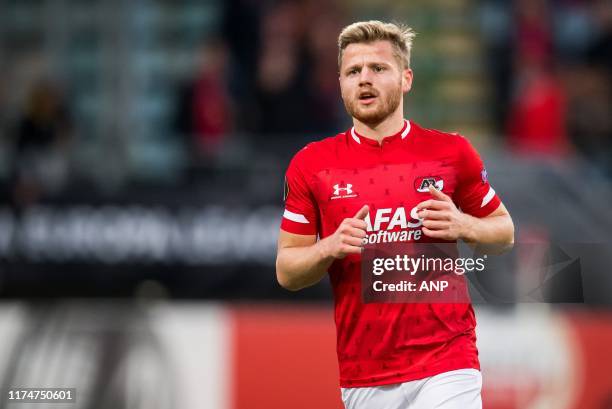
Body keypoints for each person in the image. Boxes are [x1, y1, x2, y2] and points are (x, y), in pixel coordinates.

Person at [275, 21, 514, 409]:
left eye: (378, 69)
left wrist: (463, 224)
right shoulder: (311, 165)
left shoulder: (451, 152)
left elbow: (504, 232)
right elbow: (287, 270)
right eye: (353, 71)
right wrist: (328, 248)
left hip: (447, 360)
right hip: (364, 373)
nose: (364, 80)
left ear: (406, 79)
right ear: (339, 83)